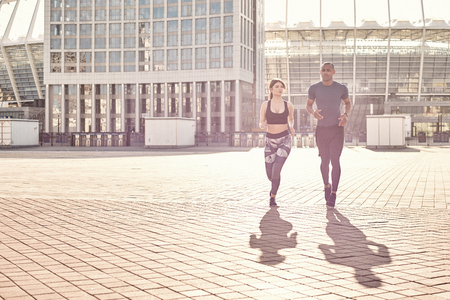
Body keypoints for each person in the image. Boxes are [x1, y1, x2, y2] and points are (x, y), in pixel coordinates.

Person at [306, 62, 352, 207]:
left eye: (328, 70)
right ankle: (326, 185)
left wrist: (345, 115)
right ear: (320, 72)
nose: (325, 72)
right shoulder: (314, 88)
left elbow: (348, 103)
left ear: (333, 72)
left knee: (335, 160)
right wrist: (313, 112)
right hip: (321, 130)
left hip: (336, 129)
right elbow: (308, 105)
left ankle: (333, 194)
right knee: (324, 161)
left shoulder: (341, 88)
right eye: (323, 70)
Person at [259, 78, 295, 206]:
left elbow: (290, 119)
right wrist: (262, 125)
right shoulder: (265, 105)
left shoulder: (288, 105)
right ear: (271, 89)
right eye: (277, 86)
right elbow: (261, 121)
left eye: (281, 87)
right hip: (270, 142)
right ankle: (274, 187)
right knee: (270, 174)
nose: (280, 89)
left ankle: (273, 197)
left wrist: (291, 126)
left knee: (276, 170)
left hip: (284, 140)